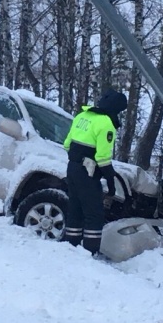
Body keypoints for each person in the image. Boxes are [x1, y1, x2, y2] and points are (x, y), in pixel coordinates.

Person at [62, 88, 128, 255]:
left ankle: (71, 246)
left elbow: (66, 145)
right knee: (94, 213)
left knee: (75, 209)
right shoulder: (106, 124)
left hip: (72, 167)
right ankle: (90, 251)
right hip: (87, 171)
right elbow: (103, 158)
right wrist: (111, 182)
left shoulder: (82, 116)